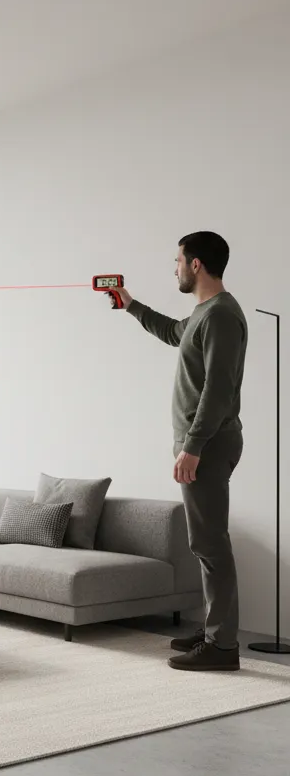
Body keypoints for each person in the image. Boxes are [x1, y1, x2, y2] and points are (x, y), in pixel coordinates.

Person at [113, 232, 248, 671]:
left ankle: (222, 646)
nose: (173, 268)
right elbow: (174, 332)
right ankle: (214, 629)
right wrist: (130, 304)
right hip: (200, 444)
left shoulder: (223, 315)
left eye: (177, 261)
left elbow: (218, 389)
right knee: (204, 542)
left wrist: (192, 447)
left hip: (207, 444)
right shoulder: (203, 315)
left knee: (210, 543)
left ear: (195, 265)